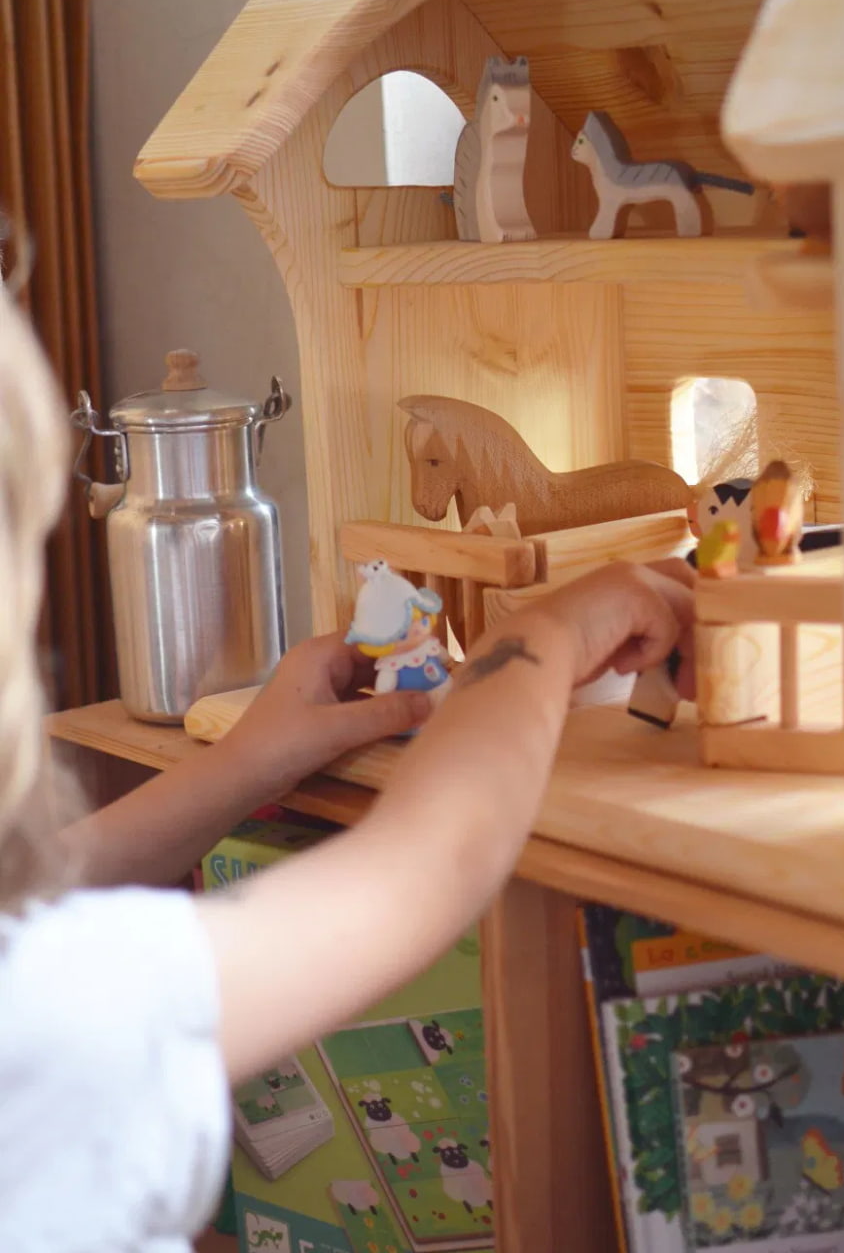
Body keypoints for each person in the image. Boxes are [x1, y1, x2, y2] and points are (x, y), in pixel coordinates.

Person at [0, 274, 697, 1252]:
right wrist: (547, 631)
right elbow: (433, 860)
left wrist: (244, 763)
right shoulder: (56, 1014)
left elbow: (34, 896)